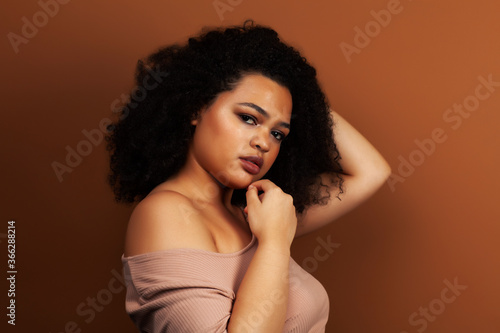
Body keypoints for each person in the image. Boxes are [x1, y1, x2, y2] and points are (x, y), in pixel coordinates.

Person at [106, 20, 391, 332]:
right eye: (248, 118)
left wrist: (301, 98)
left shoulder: (252, 213)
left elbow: (372, 171)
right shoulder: (165, 213)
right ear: (196, 108)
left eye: (279, 134)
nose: (263, 142)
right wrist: (274, 243)